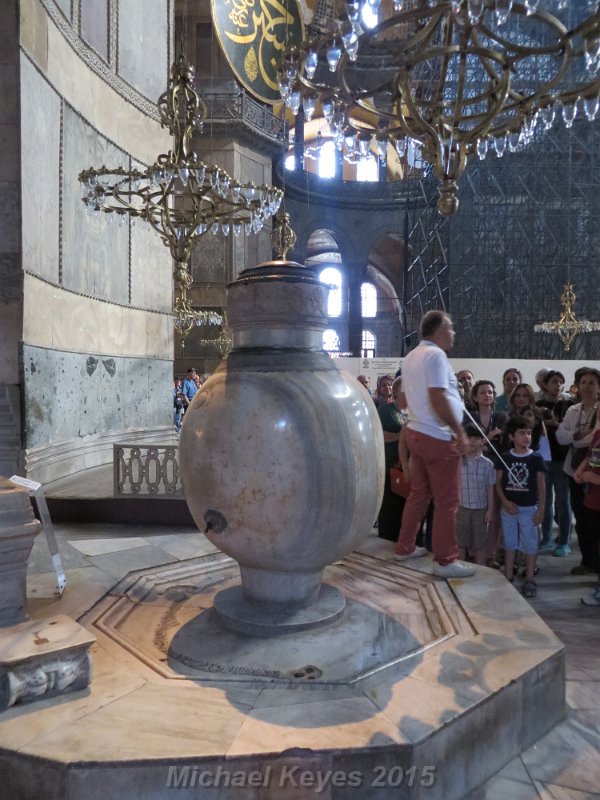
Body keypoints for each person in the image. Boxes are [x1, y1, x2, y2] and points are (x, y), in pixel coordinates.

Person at [393, 310, 475, 578]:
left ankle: (404, 546)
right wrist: (458, 431)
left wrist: (418, 413)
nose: (453, 334)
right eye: (450, 329)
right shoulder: (436, 355)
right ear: (439, 331)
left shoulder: (410, 357)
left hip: (416, 433)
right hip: (437, 437)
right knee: (447, 501)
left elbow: (403, 401)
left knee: (419, 494)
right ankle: (445, 560)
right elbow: (438, 397)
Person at [495, 415, 547, 598]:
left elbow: (541, 486)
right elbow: (498, 483)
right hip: (508, 509)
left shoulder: (536, 458)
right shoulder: (505, 457)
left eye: (528, 433)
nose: (526, 437)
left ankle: (530, 578)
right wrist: (505, 502)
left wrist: (541, 509)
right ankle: (508, 575)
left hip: (528, 509)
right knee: (509, 543)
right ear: (511, 436)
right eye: (521, 433)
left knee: (530, 544)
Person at [556, 367, 600, 575]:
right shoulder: (573, 410)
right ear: (578, 386)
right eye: (583, 382)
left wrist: (576, 437)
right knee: (581, 518)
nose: (587, 386)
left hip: (596, 471)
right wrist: (581, 435)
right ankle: (587, 560)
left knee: (595, 518)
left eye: (592, 382)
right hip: (574, 469)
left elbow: (595, 439)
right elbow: (560, 436)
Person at [536, 369, 573, 556]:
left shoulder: (570, 405)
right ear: (544, 384)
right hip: (543, 459)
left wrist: (555, 424)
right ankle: (546, 538)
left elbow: (570, 432)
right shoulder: (538, 405)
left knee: (563, 501)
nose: (557, 385)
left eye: (560, 382)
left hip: (562, 458)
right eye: (553, 382)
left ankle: (564, 541)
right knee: (545, 501)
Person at [457, 424, 496, 565]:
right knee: (460, 543)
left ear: (483, 440)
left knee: (480, 544)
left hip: (480, 509)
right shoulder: (458, 461)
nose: (472, 442)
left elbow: (490, 488)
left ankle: (481, 571)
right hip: (461, 508)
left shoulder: (488, 464)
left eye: (476, 438)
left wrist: (490, 510)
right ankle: (459, 568)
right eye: (469, 438)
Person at [377, 377, 408, 541]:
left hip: (406, 465)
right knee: (390, 502)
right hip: (390, 463)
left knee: (403, 503)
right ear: (396, 391)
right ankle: (387, 537)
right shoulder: (386, 410)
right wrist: (400, 436)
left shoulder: (409, 412)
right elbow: (377, 434)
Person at [574, 429, 600, 605]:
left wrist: (595, 478)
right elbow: (589, 456)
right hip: (593, 500)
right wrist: (581, 469)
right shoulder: (598, 434)